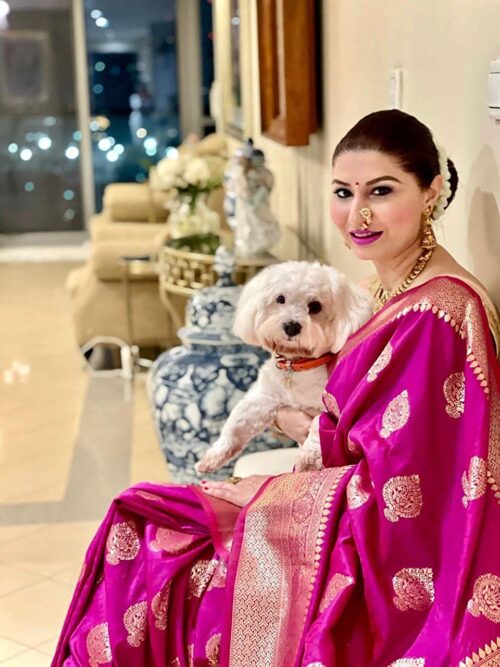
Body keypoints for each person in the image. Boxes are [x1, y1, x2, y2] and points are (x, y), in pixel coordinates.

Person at [53, 110, 500, 667]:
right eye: (344, 192)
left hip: (373, 547)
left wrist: (275, 488)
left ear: (430, 192)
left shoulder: (439, 314)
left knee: (155, 549)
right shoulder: (380, 289)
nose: (357, 215)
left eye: (381, 192)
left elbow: (409, 486)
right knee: (140, 523)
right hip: (328, 493)